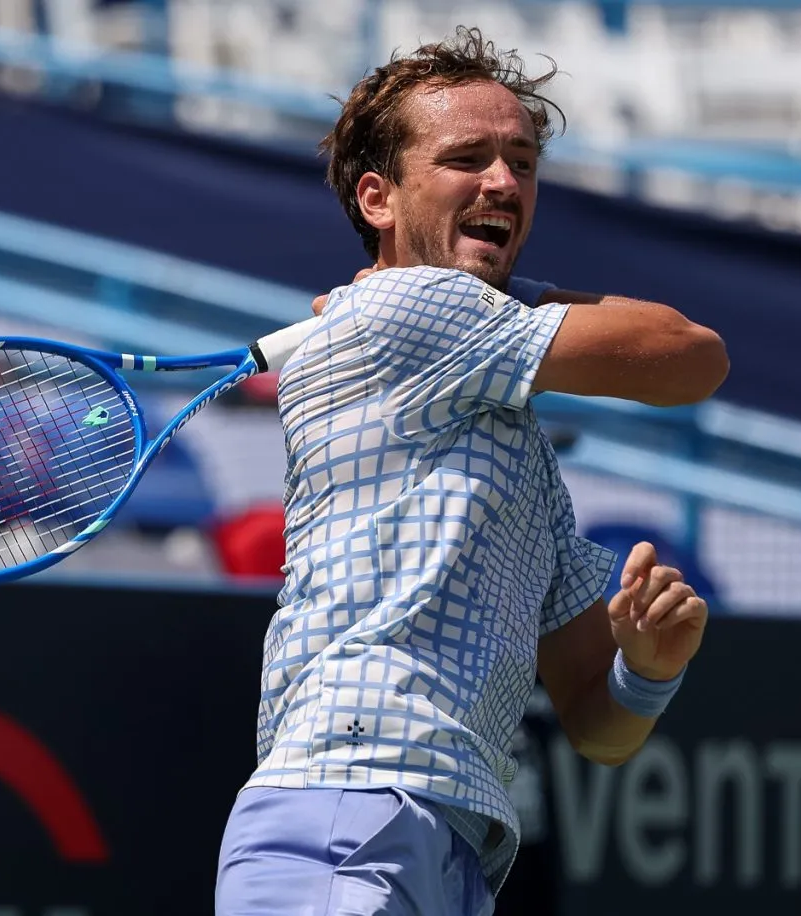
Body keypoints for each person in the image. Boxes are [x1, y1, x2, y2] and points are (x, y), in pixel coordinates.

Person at [215, 25, 729, 916]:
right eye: (468, 158)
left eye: (522, 162)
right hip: (347, 811)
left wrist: (647, 668)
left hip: (452, 848)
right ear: (378, 198)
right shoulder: (413, 309)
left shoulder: (521, 469)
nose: (503, 182)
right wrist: (513, 294)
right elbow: (688, 355)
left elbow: (594, 722)